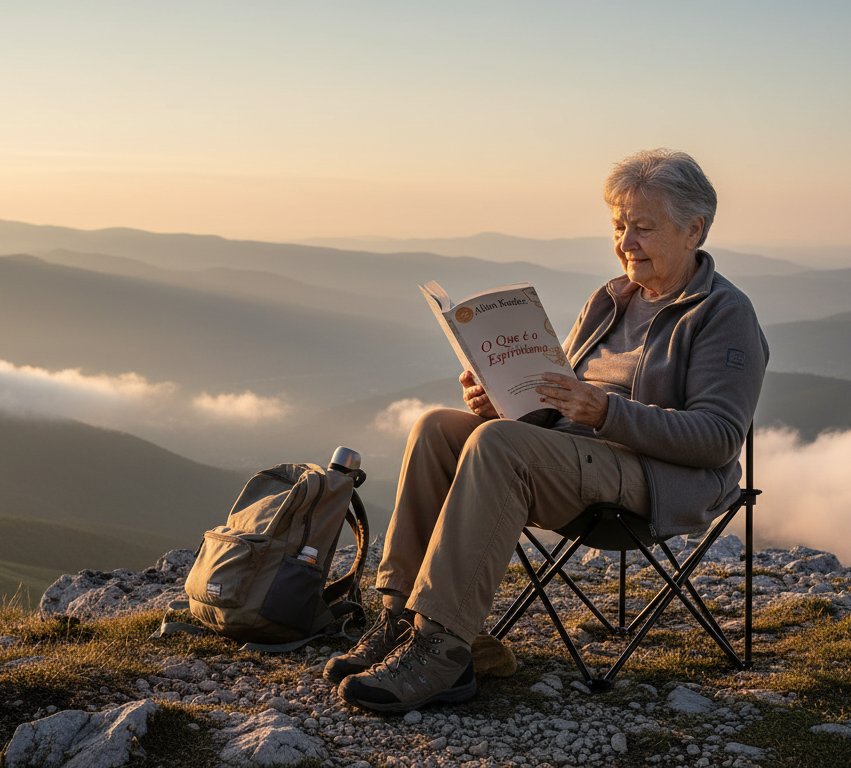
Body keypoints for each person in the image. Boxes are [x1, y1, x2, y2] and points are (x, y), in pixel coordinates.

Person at [328, 149, 768, 713]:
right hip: (573, 459)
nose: (626, 242)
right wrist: (503, 403)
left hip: (655, 478)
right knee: (439, 427)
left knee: (497, 446)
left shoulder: (723, 313)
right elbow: (553, 408)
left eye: (643, 227)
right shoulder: (611, 299)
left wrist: (604, 414)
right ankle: (399, 620)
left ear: (694, 230)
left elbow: (718, 439)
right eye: (619, 226)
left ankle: (442, 652)